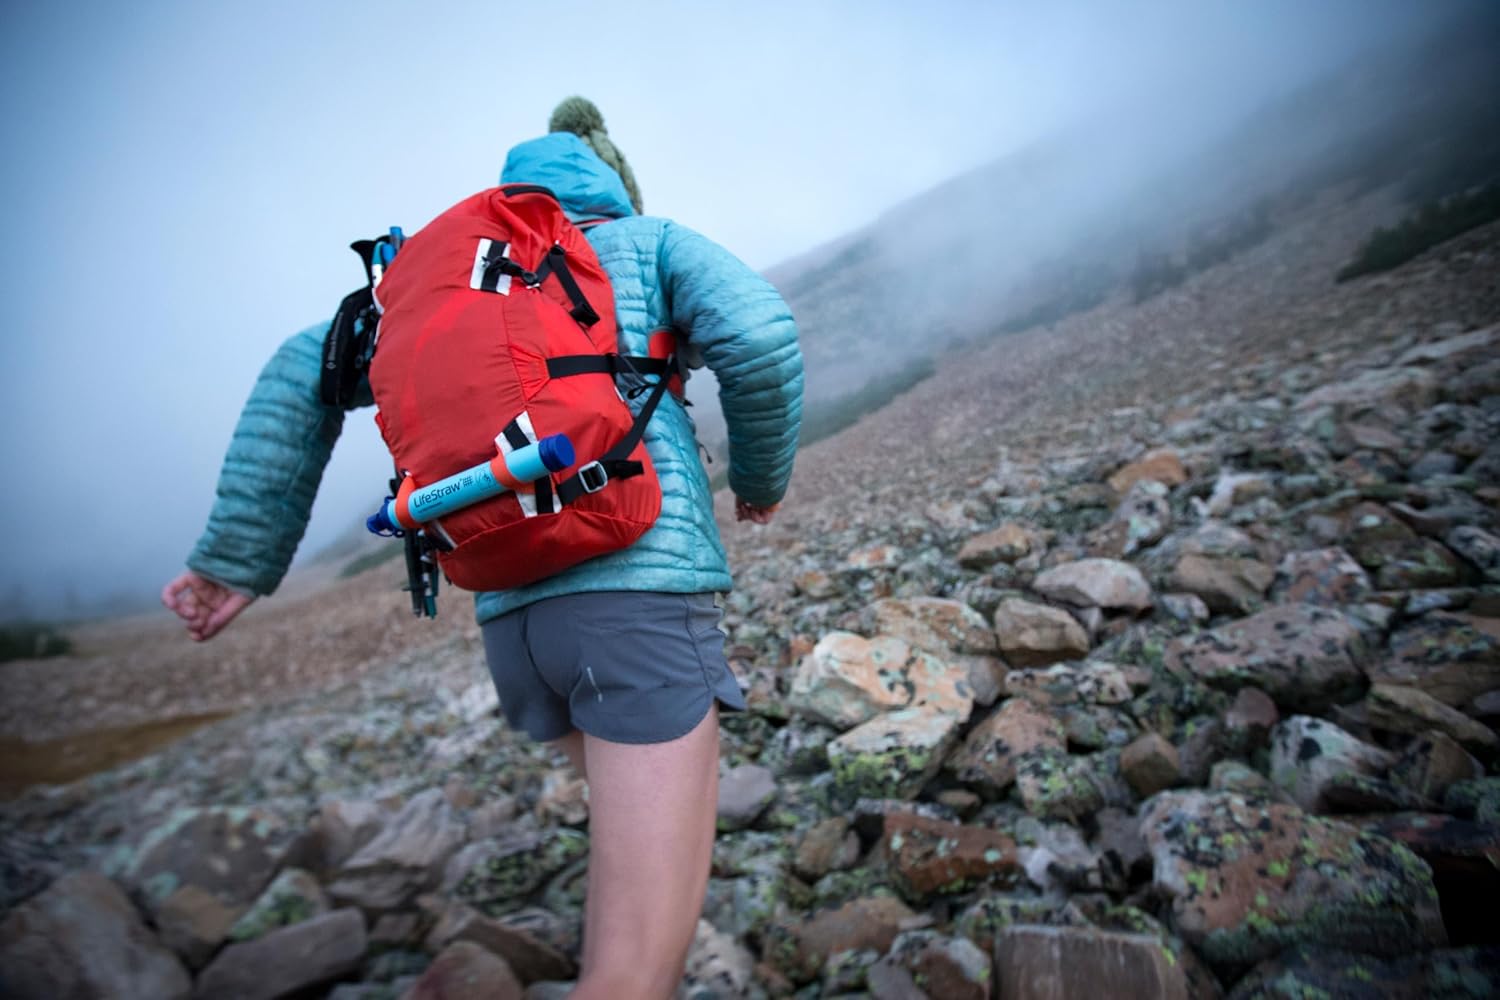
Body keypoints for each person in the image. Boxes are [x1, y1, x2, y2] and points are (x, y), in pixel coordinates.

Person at [162, 97, 803, 999]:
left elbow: (288, 381)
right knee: (630, 976)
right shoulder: (645, 243)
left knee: (625, 884)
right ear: (613, 184)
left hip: (510, 617)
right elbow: (764, 337)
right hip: (637, 600)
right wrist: (762, 483)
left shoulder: (434, 281)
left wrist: (234, 561)